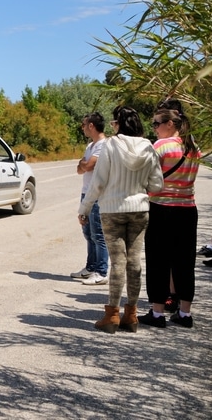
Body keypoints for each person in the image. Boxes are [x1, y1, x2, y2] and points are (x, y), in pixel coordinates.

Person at [79, 105, 164, 333]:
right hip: (139, 210)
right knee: (134, 262)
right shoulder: (148, 147)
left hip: (112, 210)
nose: (112, 127)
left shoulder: (111, 146)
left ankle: (112, 316)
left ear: (119, 124)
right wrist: (139, 185)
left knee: (118, 263)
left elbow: (98, 182)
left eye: (114, 123)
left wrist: (84, 208)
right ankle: (132, 315)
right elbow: (157, 184)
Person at [138, 106, 202, 328]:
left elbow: (147, 175)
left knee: (158, 260)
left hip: (162, 208)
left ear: (170, 124)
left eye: (157, 124)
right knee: (185, 261)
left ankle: (157, 313)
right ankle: (185, 313)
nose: (154, 128)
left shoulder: (160, 146)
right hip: (187, 209)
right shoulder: (193, 147)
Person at [71, 112, 108, 285]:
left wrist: (84, 164)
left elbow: (89, 165)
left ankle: (101, 271)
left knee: (98, 233)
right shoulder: (90, 145)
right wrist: (83, 165)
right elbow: (80, 169)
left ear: (91, 126)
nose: (83, 127)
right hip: (86, 192)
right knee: (87, 232)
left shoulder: (103, 145)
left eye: (84, 124)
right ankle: (91, 267)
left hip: (97, 194)